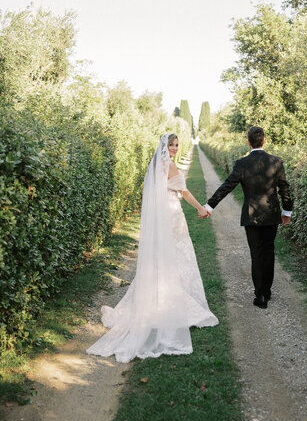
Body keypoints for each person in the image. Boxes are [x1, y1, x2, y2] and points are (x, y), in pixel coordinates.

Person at [86, 133, 218, 362]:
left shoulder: (157, 164)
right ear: (165, 147)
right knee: (177, 254)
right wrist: (201, 208)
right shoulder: (171, 166)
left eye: (177, 145)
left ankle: (158, 296)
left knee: (163, 257)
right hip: (172, 214)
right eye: (172, 145)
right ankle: (172, 299)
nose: (175, 148)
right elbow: (184, 193)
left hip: (161, 214)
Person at [202, 126, 292, 309]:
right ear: (264, 141)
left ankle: (260, 296)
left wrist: (210, 205)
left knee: (256, 254)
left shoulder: (241, 164)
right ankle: (266, 291)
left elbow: (227, 186)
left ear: (248, 142)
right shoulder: (276, 161)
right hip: (271, 215)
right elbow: (285, 189)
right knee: (268, 252)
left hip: (252, 217)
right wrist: (287, 211)